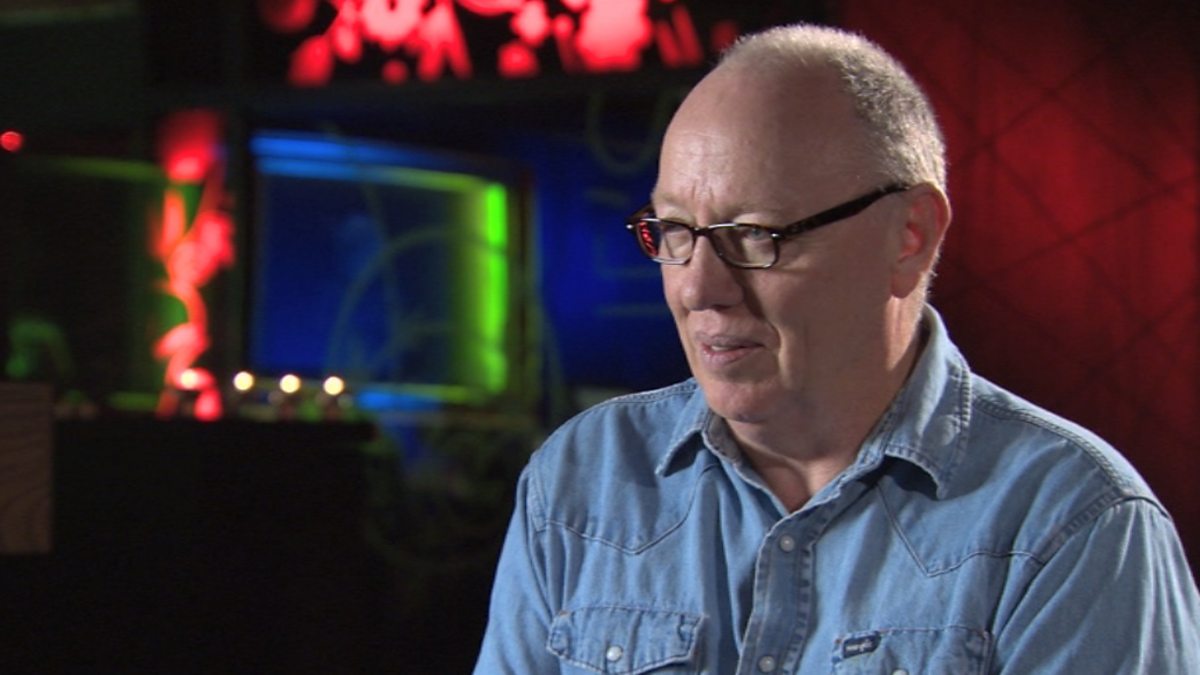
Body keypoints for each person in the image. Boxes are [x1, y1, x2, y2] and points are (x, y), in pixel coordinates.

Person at [474, 23, 1200, 673]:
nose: (697, 288)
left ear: (909, 237)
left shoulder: (1070, 525)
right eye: (674, 232)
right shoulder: (583, 480)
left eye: (752, 235)